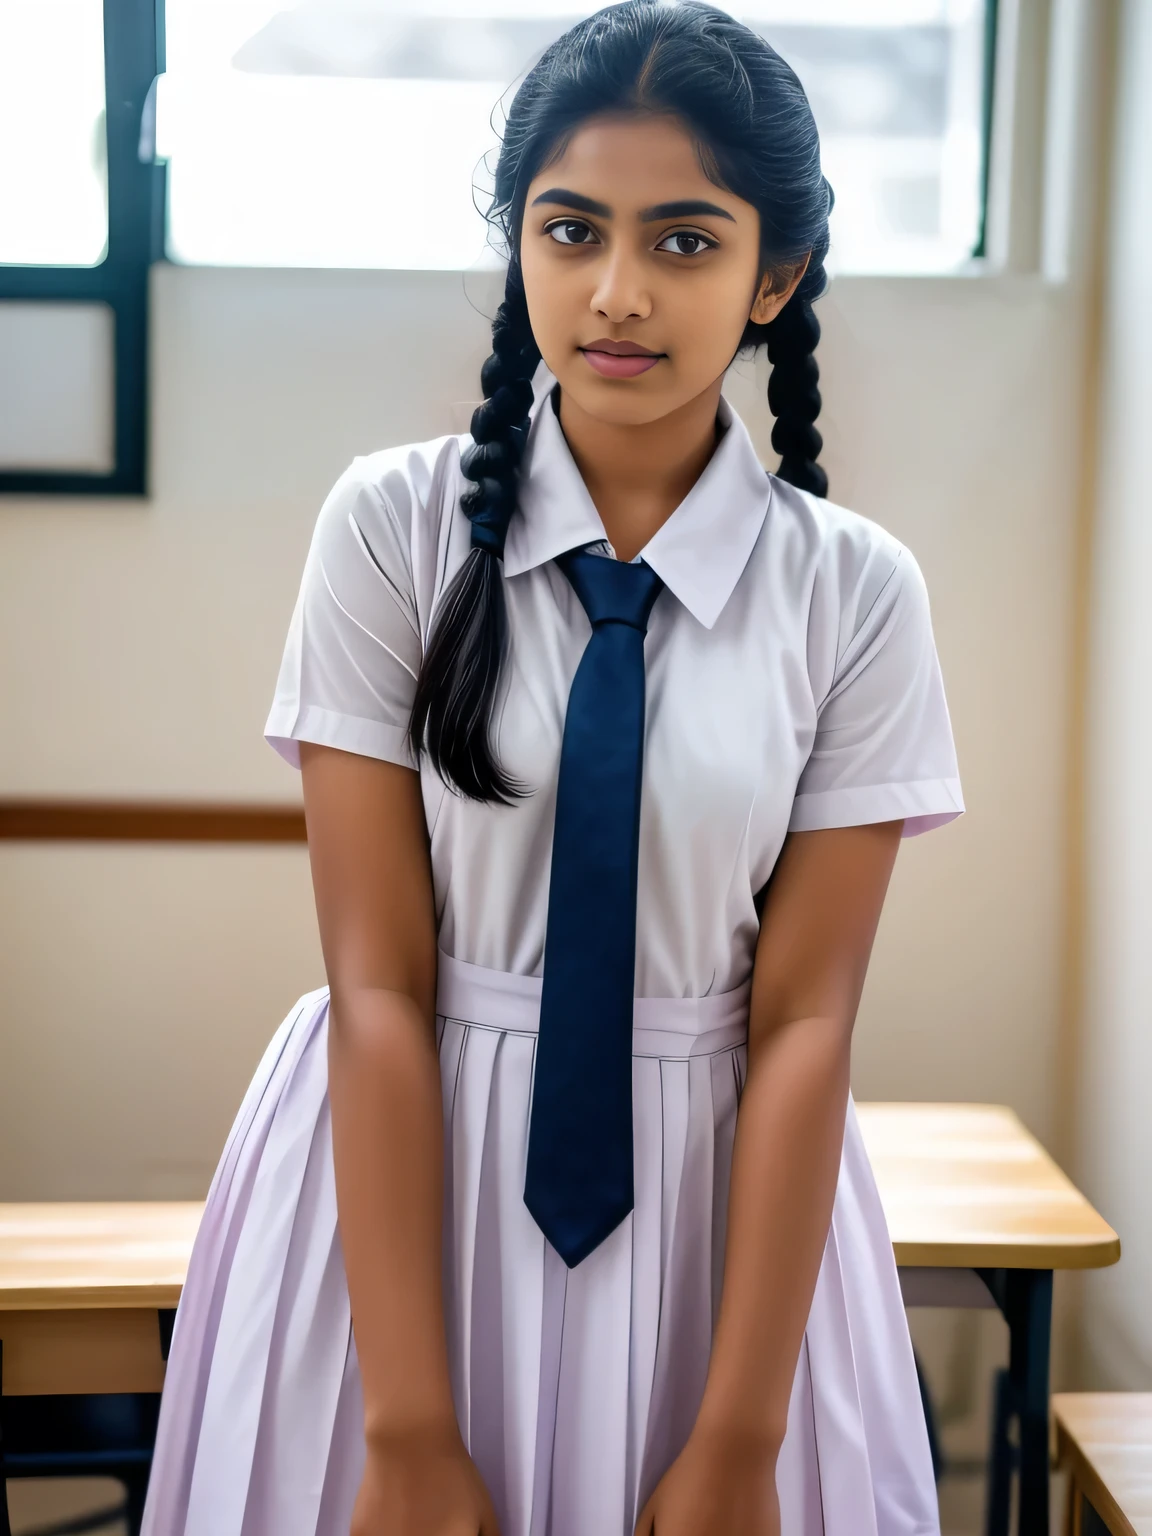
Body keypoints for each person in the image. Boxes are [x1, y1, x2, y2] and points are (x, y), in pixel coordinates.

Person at [141, 3, 964, 1533]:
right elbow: (378, 978)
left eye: (686, 242)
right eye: (571, 229)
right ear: (518, 241)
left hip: (728, 1225)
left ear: (776, 275)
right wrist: (404, 1426)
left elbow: (801, 1022)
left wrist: (739, 1439)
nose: (616, 292)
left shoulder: (857, 594)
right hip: (397, 1205)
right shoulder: (386, 529)